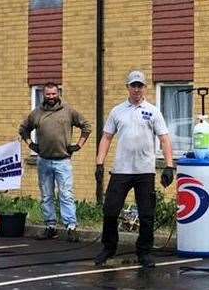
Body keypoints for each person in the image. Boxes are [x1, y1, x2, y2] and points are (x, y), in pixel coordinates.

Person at [94, 70, 174, 269]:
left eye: (140, 85)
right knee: (110, 211)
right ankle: (108, 248)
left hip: (145, 171)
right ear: (127, 87)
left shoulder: (153, 111)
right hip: (121, 170)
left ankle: (144, 252)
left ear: (144, 88)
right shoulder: (117, 111)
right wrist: (99, 163)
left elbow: (164, 139)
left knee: (147, 214)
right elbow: (106, 137)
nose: (137, 89)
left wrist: (170, 166)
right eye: (133, 85)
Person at [19, 81, 93, 241]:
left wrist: (78, 145)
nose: (51, 97)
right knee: (46, 196)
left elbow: (86, 126)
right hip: (43, 161)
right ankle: (50, 227)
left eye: (54, 94)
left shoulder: (68, 111)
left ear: (58, 94)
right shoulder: (36, 113)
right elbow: (23, 129)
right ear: (43, 95)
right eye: (48, 94)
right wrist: (30, 144)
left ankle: (71, 228)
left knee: (66, 195)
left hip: (63, 161)